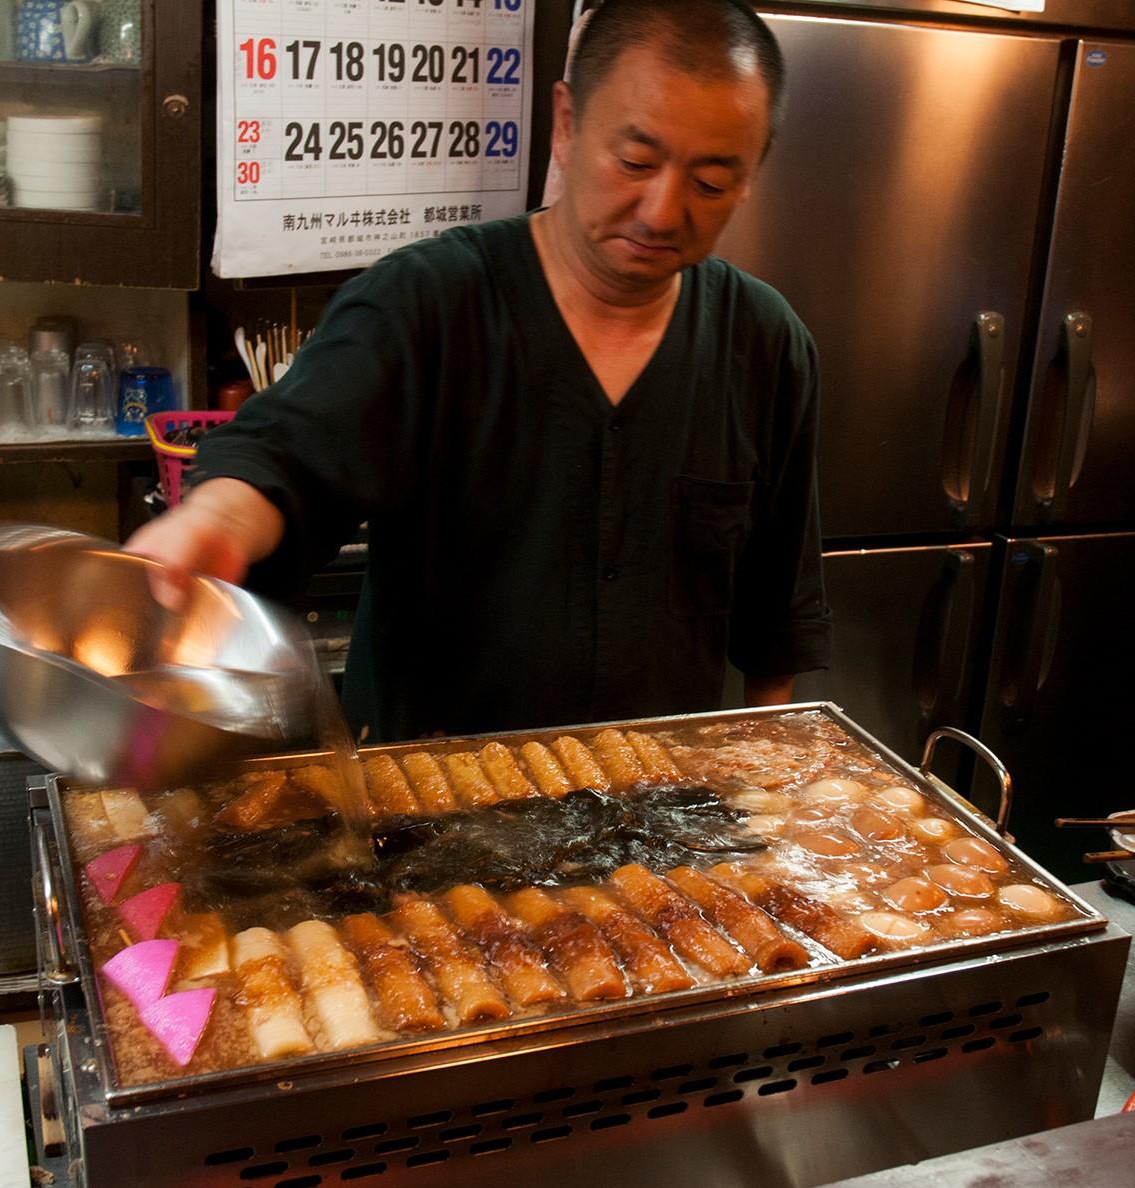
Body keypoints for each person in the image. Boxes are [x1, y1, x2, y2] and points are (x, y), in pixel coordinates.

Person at [129, 0, 830, 743]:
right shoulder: (426, 301)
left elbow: (774, 611)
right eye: (634, 162)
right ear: (566, 125)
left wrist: (764, 786)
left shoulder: (766, 344)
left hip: (652, 816)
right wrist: (214, 518)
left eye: (712, 182)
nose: (662, 210)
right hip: (428, 811)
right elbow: (285, 455)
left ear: (752, 174)